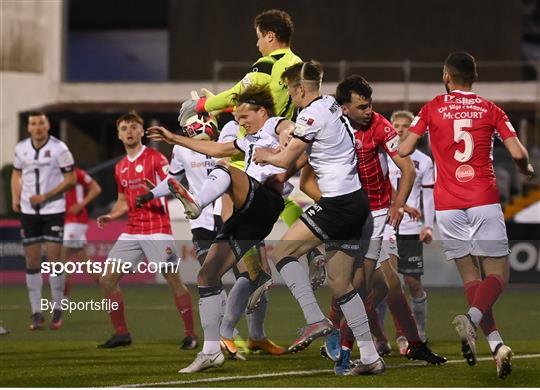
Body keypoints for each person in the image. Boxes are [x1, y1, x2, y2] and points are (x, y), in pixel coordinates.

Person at [399, 51, 535, 379]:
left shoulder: (432, 107)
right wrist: (526, 168)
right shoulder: (490, 109)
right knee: (499, 275)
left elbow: (404, 149)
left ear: (447, 77)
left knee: (470, 277)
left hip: (448, 204)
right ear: (475, 77)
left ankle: (496, 345)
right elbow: (517, 152)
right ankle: (472, 320)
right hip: (483, 199)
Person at [147, 85, 295, 373]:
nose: (239, 121)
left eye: (244, 115)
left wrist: (288, 136)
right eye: (236, 116)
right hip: (245, 213)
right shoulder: (246, 140)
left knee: (225, 168)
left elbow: (287, 127)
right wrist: (172, 137)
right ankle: (211, 350)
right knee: (207, 275)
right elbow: (213, 147)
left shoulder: (274, 125)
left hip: (266, 200)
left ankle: (197, 202)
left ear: (263, 112)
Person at [253, 61, 384, 376]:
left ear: (299, 89)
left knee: (282, 252)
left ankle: (314, 318)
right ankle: (370, 357)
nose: (289, 95)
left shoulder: (311, 115)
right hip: (356, 204)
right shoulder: (327, 105)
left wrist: (265, 155)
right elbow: (303, 153)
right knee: (340, 283)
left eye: (289, 89)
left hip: (338, 205)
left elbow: (286, 159)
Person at [312, 76, 445, 374]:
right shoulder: (329, 129)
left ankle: (403, 343)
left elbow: (406, 168)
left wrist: (397, 205)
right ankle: (348, 337)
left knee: (385, 285)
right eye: (362, 106)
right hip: (348, 216)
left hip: (378, 214)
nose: (369, 110)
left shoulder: (380, 126)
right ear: (344, 108)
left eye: (370, 104)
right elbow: (309, 178)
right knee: (365, 286)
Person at [96, 111, 197, 349]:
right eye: (124, 129)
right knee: (107, 280)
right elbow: (122, 200)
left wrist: (158, 189)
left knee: (173, 279)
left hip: (157, 228)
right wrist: (111, 215)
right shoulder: (120, 167)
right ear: (119, 135)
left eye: (133, 127)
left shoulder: (155, 159)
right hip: (132, 229)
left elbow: (173, 184)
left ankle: (190, 335)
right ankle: (122, 333)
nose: (129, 132)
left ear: (142, 131)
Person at [11, 112, 76, 330]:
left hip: (53, 209)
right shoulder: (21, 148)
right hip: (29, 212)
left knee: (54, 261)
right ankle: (36, 312)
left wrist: (46, 196)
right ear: (28, 128)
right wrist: (15, 196)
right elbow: (16, 173)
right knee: (32, 262)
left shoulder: (60, 148)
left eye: (41, 123)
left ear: (48, 126)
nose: (38, 127)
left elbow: (71, 179)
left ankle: (57, 308)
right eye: (34, 124)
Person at [383, 110, 436, 346]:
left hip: (410, 228)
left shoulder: (424, 161)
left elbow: (429, 195)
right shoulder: (383, 155)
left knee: (412, 282)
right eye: (397, 125)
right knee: (386, 283)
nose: (401, 129)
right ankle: (395, 335)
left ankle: (420, 331)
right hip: (385, 226)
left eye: (406, 125)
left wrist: (428, 226)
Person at [62, 167, 102, 297]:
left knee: (63, 255)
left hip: (76, 218)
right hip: (67, 219)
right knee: (84, 258)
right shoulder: (54, 174)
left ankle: (63, 293)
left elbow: (96, 189)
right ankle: (106, 284)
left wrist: (81, 204)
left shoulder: (76, 173)